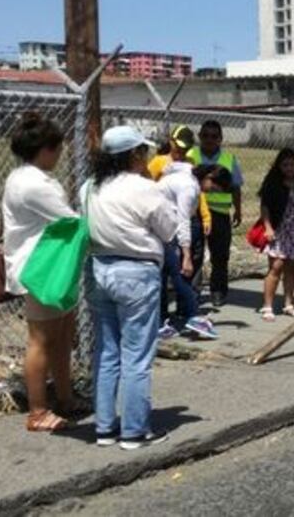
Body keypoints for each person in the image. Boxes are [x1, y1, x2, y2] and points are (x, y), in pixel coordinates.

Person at [84, 125, 180, 450]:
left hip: (98, 268)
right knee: (136, 356)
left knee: (106, 352)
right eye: (143, 152)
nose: (146, 157)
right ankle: (135, 431)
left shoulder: (89, 187)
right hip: (136, 272)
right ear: (134, 154)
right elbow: (168, 230)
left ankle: (104, 427)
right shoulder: (144, 188)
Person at [2, 113, 79, 432]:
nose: (61, 153)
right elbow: (72, 221)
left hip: (53, 267)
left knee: (61, 339)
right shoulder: (34, 184)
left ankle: (65, 398)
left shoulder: (25, 176)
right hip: (42, 269)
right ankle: (38, 411)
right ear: (45, 149)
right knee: (42, 341)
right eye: (58, 147)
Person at [156, 127, 219, 341]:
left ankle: (165, 321)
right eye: (214, 187)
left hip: (164, 228)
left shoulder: (184, 174)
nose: (212, 192)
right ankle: (193, 316)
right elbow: (183, 219)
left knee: (170, 274)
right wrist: (186, 254)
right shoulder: (189, 187)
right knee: (180, 272)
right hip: (164, 229)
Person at [188, 120, 243, 307]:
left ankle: (218, 290)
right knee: (195, 254)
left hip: (219, 213)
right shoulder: (191, 156)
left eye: (214, 136)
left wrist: (238, 210)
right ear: (199, 137)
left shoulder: (229, 159)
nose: (209, 140)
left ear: (220, 139)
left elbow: (236, 187)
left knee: (220, 255)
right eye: (205, 136)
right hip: (195, 214)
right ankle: (192, 293)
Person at [257, 149, 294, 322]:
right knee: (275, 267)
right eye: (285, 164)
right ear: (279, 166)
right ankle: (267, 305)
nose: (289, 168)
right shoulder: (272, 185)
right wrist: (268, 227)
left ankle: (289, 303)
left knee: (291, 268)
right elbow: (265, 207)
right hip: (279, 230)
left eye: (292, 164)